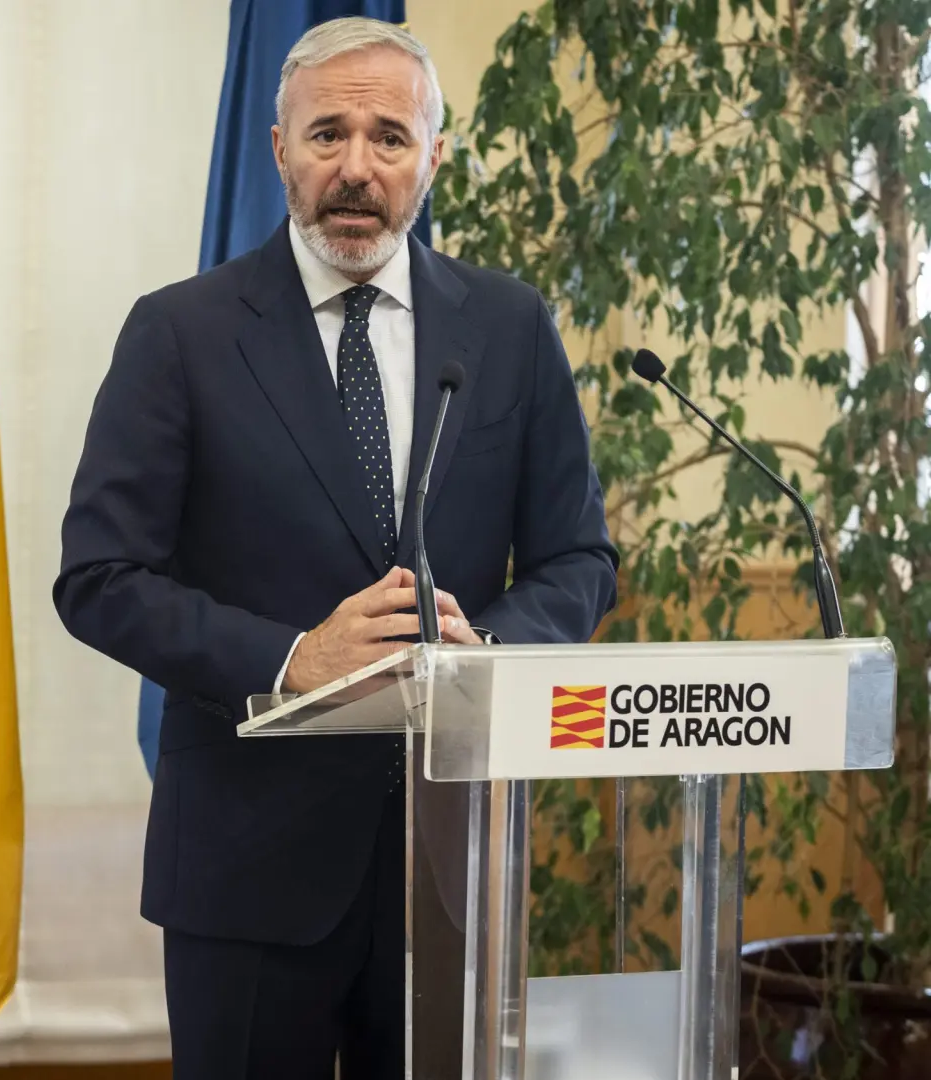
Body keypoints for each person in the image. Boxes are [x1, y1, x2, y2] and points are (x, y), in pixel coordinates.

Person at [52, 17, 619, 1080]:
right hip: (246, 868)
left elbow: (579, 560)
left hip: (448, 870)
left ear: (432, 158)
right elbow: (99, 578)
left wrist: (480, 649)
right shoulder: (179, 334)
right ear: (279, 151)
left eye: (389, 138)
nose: (356, 168)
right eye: (327, 135)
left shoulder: (508, 327)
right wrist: (288, 660)